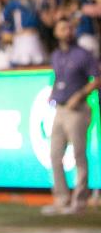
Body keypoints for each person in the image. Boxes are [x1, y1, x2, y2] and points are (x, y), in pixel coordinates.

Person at [42, 18, 99, 215]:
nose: (67, 31)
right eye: (62, 28)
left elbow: (96, 79)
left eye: (69, 27)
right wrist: (53, 94)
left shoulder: (83, 54)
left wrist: (81, 94)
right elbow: (58, 77)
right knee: (55, 154)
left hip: (78, 110)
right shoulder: (56, 55)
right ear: (56, 32)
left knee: (78, 155)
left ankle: (80, 201)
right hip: (60, 109)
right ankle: (61, 198)